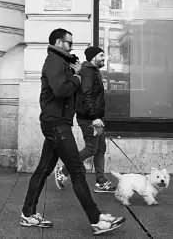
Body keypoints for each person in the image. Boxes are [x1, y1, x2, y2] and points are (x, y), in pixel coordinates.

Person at [20, 29, 125, 235]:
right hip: (56, 124)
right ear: (59, 42)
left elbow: (68, 90)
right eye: (69, 42)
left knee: (43, 170)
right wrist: (76, 77)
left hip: (58, 123)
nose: (72, 46)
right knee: (77, 171)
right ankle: (97, 220)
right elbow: (61, 90)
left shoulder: (62, 62)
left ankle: (27, 213)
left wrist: (75, 74)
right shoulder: (54, 61)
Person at [54, 46, 118, 193]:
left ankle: (101, 182)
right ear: (93, 56)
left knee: (100, 149)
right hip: (90, 119)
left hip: (96, 118)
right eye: (101, 55)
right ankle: (64, 171)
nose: (104, 58)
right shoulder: (88, 71)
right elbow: (87, 95)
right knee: (91, 148)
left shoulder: (93, 71)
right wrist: (94, 117)